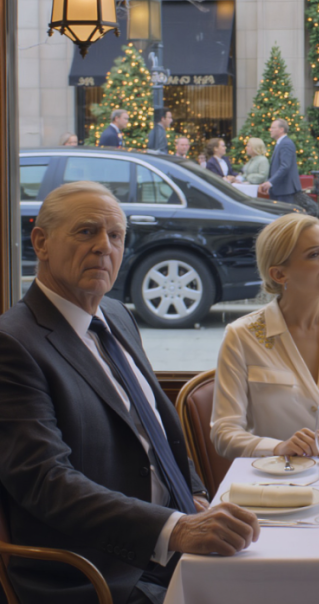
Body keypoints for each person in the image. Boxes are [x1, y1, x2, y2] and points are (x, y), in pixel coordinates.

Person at [0, 181, 259, 604]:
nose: (104, 247)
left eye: (116, 235)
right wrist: (174, 528)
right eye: (87, 231)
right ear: (41, 242)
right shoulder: (12, 343)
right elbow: (46, 481)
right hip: (95, 572)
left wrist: (193, 497)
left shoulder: (116, 315)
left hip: (166, 546)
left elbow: (155, 429)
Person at [211, 213, 319, 459]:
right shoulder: (241, 336)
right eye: (314, 254)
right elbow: (224, 432)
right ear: (279, 274)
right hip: (278, 477)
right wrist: (278, 448)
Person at [259, 118, 302, 204]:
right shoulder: (281, 143)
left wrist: (270, 182)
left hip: (285, 190)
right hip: (280, 189)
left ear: (281, 129)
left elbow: (285, 166)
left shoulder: (286, 143)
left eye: (273, 128)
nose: (270, 130)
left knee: (285, 212)